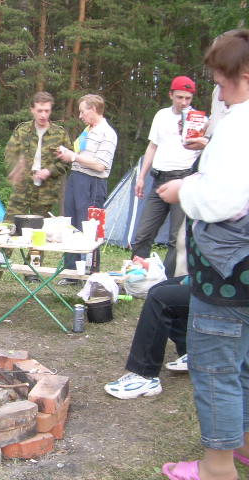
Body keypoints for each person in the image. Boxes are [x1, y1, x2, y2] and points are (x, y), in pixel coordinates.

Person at [157, 29, 249, 480]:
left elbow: (221, 200)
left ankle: (217, 468)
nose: (217, 89)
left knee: (215, 369)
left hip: (226, 274)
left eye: (221, 79)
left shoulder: (240, 125)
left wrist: (182, 189)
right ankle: (245, 442)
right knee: (243, 364)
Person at [131, 76, 201, 278]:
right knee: (143, 233)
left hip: (184, 179)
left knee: (176, 238)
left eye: (188, 98)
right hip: (159, 179)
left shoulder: (198, 119)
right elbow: (152, 146)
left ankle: (168, 281)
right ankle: (137, 277)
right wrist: (141, 177)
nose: (184, 102)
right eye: (180, 97)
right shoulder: (161, 115)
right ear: (171, 95)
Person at [56, 94, 117, 284]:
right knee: (71, 224)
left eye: (83, 111)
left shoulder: (107, 133)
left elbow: (100, 165)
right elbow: (80, 153)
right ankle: (71, 272)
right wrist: (67, 154)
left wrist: (74, 157)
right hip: (76, 179)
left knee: (90, 227)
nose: (80, 115)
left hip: (93, 183)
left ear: (94, 110)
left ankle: (91, 271)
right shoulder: (87, 130)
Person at [104, 276, 190, 399]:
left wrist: (190, 280)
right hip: (208, 278)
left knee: (159, 298)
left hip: (217, 288)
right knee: (156, 289)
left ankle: (145, 374)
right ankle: (190, 351)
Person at [4, 91, 72, 221]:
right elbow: (10, 153)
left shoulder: (60, 134)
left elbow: (67, 161)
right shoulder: (22, 130)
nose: (43, 115)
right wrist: (15, 169)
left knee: (41, 227)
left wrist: (49, 171)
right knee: (11, 223)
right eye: (40, 111)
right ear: (32, 110)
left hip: (46, 190)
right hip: (22, 186)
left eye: (47, 111)